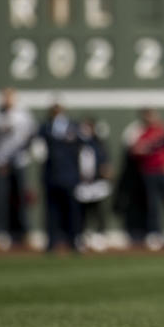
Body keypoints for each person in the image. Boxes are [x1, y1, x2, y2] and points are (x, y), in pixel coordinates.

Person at [0, 88, 36, 249]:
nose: (7, 100)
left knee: (21, 198)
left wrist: (20, 154)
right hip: (0, 163)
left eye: (9, 97)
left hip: (18, 161)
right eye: (4, 97)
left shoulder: (24, 115)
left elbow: (30, 138)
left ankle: (24, 233)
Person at [129, 108, 164, 249]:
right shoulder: (141, 132)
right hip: (150, 172)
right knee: (153, 205)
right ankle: (155, 234)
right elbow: (135, 150)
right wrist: (143, 149)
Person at [39, 103, 82, 252]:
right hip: (51, 176)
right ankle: (51, 242)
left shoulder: (74, 127)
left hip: (70, 176)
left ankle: (74, 241)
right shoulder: (45, 128)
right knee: (52, 212)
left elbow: (83, 146)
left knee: (72, 211)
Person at [74, 117, 113, 251]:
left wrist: (105, 171)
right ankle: (82, 236)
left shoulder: (98, 144)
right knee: (82, 212)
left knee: (98, 211)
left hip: (97, 183)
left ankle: (101, 235)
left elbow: (105, 163)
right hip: (82, 184)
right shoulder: (76, 145)